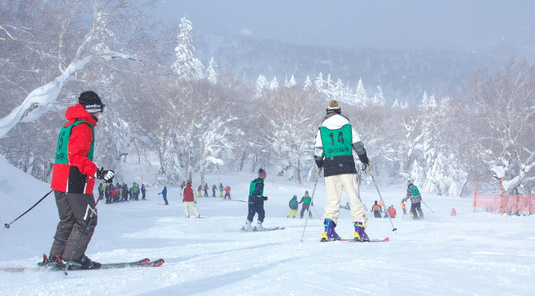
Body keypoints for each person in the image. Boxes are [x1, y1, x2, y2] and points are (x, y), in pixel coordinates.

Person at [45, 91, 114, 270]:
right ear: (93, 109)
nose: (100, 115)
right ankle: (72, 258)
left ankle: (57, 256)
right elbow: (76, 156)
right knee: (87, 219)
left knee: (68, 220)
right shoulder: (83, 126)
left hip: (60, 180)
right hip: (74, 181)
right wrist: (98, 173)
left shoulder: (70, 123)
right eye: (100, 110)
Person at [314, 100, 370, 242]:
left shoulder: (322, 130)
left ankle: (329, 230)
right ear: (339, 111)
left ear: (327, 112)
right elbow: (358, 146)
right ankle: (359, 230)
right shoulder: (348, 127)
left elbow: (318, 152)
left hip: (330, 166)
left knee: (332, 200)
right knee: (354, 197)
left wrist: (320, 164)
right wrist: (364, 159)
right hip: (347, 165)